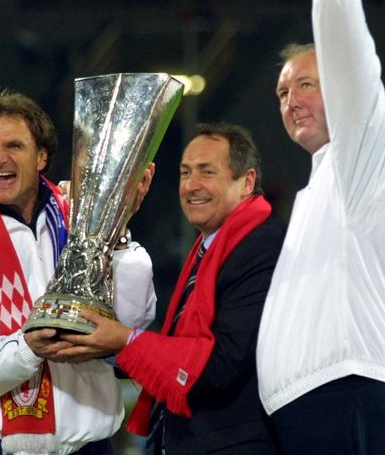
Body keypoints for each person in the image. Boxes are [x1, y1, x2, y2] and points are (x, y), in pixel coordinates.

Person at [0, 91, 157, 455]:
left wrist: (116, 225)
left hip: (87, 442)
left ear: (42, 157)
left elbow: (130, 319)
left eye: (14, 145)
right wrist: (24, 350)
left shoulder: (82, 220)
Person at [255, 0, 385, 453]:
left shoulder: (368, 157)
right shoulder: (322, 183)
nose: (291, 101)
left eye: (306, 84)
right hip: (318, 414)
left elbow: (351, 56)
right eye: (282, 93)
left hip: (358, 403)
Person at [60, 122, 284, 454]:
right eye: (184, 173)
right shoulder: (209, 249)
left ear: (246, 182)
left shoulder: (259, 246)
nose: (192, 185)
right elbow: (183, 348)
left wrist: (124, 340)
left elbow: (221, 366)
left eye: (207, 172)